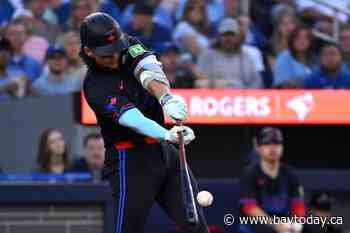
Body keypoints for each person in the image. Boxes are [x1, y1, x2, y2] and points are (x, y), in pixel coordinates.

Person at [79, 12, 209, 233]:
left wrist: (166, 99)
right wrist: (166, 133)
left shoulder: (128, 45)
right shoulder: (94, 86)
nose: (114, 58)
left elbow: (149, 72)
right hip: (130, 161)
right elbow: (132, 118)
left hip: (166, 154)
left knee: (196, 228)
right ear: (89, 52)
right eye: (106, 55)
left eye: (116, 51)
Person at [239, 127, 305, 233]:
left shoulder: (290, 174)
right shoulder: (250, 175)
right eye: (267, 144)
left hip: (284, 224)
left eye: (276, 143)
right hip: (257, 225)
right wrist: (275, 225)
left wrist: (296, 224)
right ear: (259, 148)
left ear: (282, 147)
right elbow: (249, 207)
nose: (272, 148)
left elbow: (298, 204)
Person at [197, 18, 263, 88]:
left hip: (241, 97)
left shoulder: (246, 58)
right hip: (215, 96)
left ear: (238, 37)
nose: (228, 38)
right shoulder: (208, 56)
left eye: (231, 34)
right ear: (219, 37)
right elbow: (200, 83)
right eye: (224, 35)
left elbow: (257, 84)